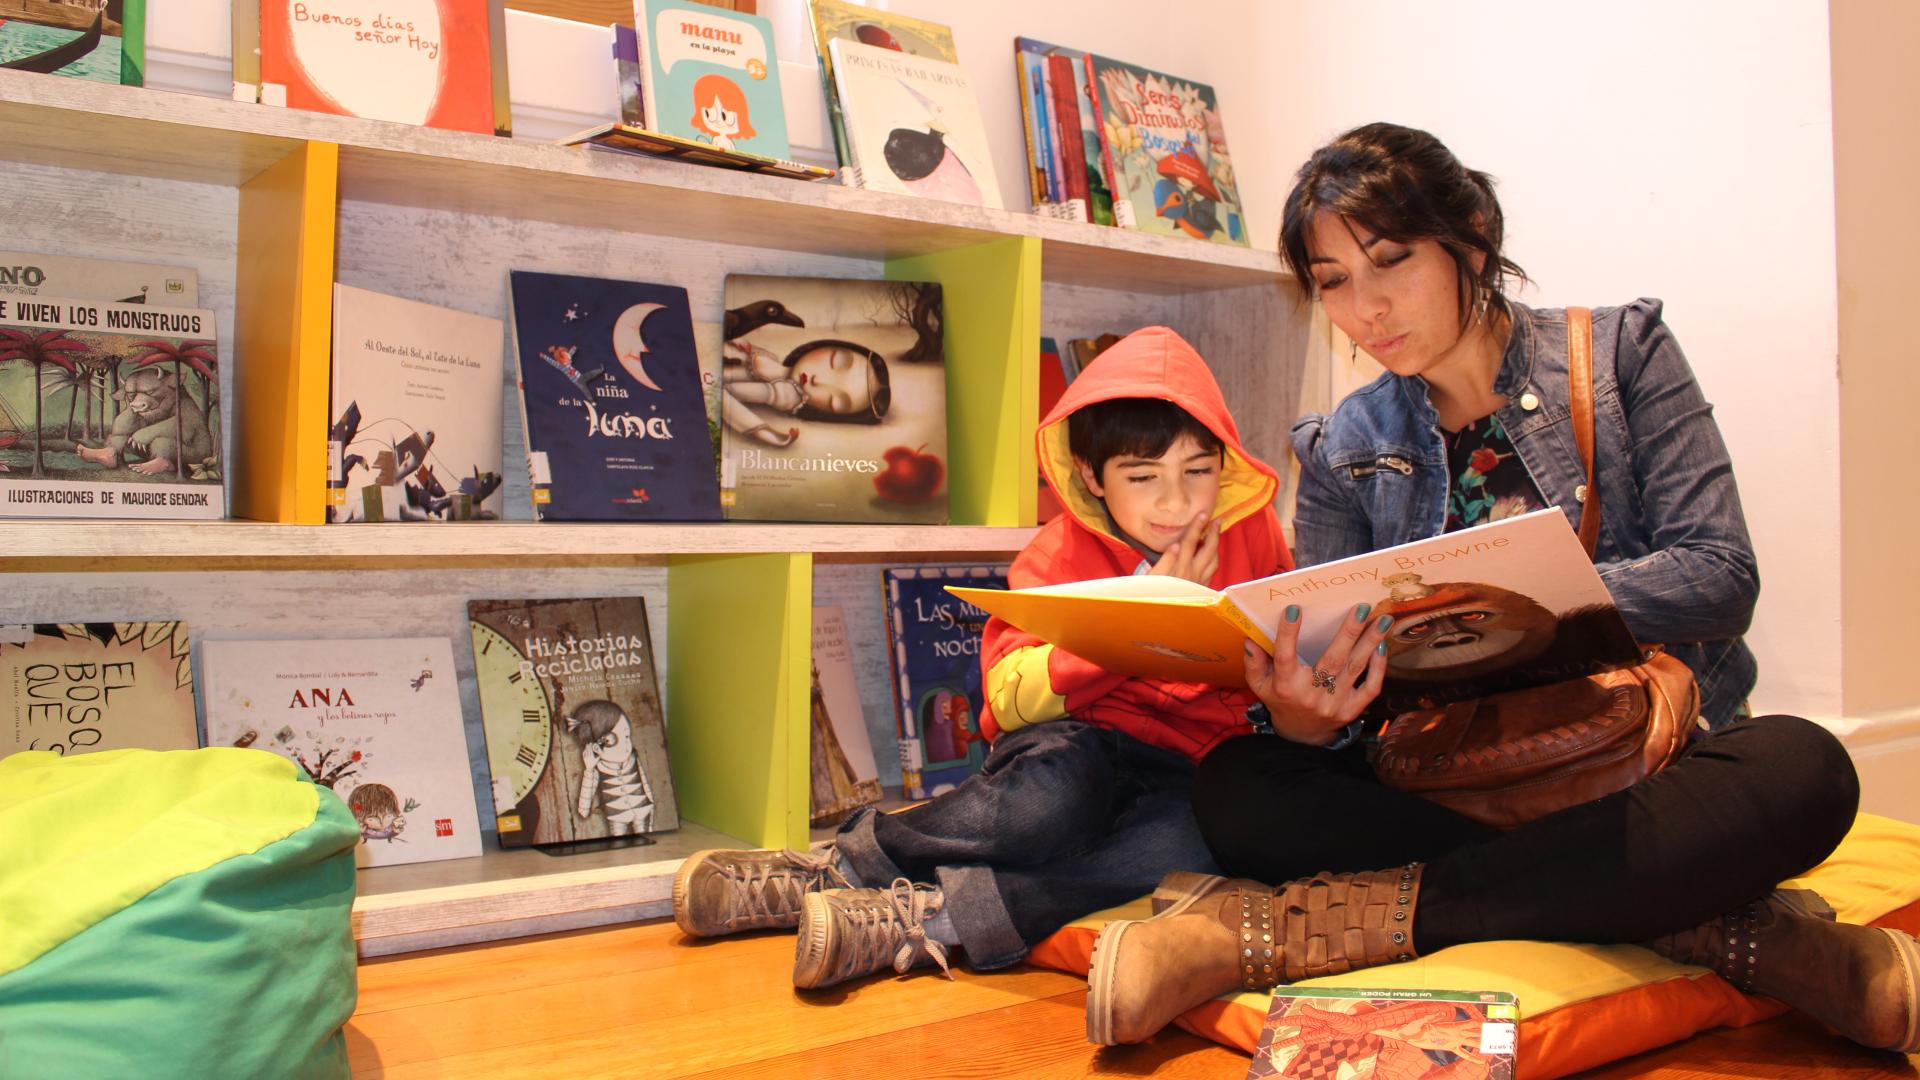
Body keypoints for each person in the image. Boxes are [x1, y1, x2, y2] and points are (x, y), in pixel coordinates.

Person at [1085, 123, 1920, 1054]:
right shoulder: (1340, 446)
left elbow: (1720, 577)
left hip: (1635, 765)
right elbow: (1337, 706)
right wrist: (1311, 712)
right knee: (1241, 786)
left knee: (1805, 771)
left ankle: (1285, 931)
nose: (1366, 307)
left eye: (1392, 260)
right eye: (1332, 283)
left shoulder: (1621, 356)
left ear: (1472, 236)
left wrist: (1533, 592)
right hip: (1452, 778)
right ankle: (1718, 929)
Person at [671, 325, 1293, 989]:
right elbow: (1005, 701)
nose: (1176, 501)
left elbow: (1285, 645)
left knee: (1186, 849)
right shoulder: (1055, 555)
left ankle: (927, 922)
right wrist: (1135, 622)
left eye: (1199, 472)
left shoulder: (1253, 536)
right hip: (1079, 746)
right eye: (1143, 477)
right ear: (1091, 476)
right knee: (1046, 809)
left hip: (1191, 769)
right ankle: (842, 867)